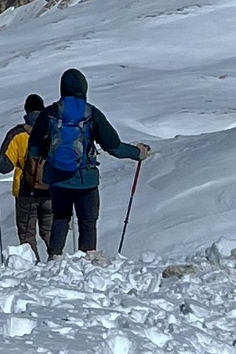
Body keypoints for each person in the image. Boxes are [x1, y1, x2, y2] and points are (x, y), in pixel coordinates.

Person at [27, 68, 151, 258]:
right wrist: (138, 153)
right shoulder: (91, 114)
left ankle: (54, 257)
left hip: (57, 179)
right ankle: (87, 259)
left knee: (60, 217)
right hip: (86, 178)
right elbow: (113, 146)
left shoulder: (50, 113)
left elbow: (34, 150)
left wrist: (50, 152)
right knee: (87, 221)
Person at [0, 93, 52, 261]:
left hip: (26, 192)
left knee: (27, 234)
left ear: (26, 111)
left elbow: (5, 166)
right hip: (51, 191)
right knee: (50, 231)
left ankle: (34, 266)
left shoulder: (17, 134)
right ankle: (56, 263)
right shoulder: (52, 131)